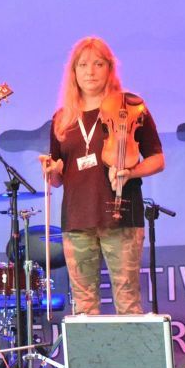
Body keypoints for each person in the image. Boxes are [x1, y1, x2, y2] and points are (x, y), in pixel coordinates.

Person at [40, 38, 164, 316]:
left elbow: (157, 159)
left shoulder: (130, 108)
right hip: (77, 219)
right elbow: (58, 178)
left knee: (128, 301)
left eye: (98, 64)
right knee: (83, 307)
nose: (90, 71)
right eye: (83, 65)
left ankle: (130, 348)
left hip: (121, 215)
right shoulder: (62, 118)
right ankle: (89, 348)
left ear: (110, 68)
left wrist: (131, 172)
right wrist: (52, 173)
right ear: (73, 71)